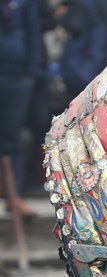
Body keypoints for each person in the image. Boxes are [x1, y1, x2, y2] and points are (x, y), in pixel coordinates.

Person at [0, 0, 42, 216]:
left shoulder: (24, 4)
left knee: (12, 138)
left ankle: (13, 194)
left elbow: (34, 36)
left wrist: (30, 75)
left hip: (16, 78)